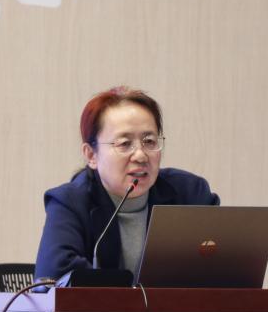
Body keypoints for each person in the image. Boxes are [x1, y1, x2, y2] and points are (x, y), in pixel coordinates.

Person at [35, 86, 219, 281]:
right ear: (91, 155)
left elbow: (222, 264)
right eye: (124, 144)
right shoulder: (70, 202)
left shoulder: (190, 194)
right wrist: (133, 292)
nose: (140, 155)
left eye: (149, 141)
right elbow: (55, 273)